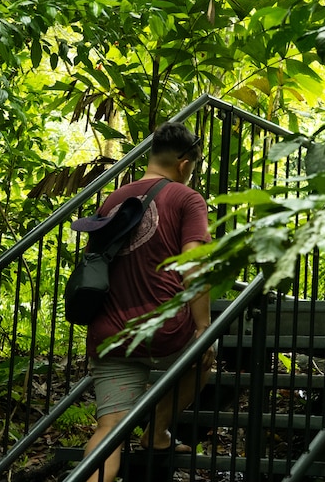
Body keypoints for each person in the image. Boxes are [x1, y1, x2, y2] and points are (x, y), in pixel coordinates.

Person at [81, 122, 215, 482]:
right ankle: (156, 432)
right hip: (165, 331)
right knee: (203, 359)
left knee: (109, 428)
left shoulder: (114, 199)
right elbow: (192, 263)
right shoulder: (187, 198)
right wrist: (204, 327)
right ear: (185, 164)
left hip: (111, 333)